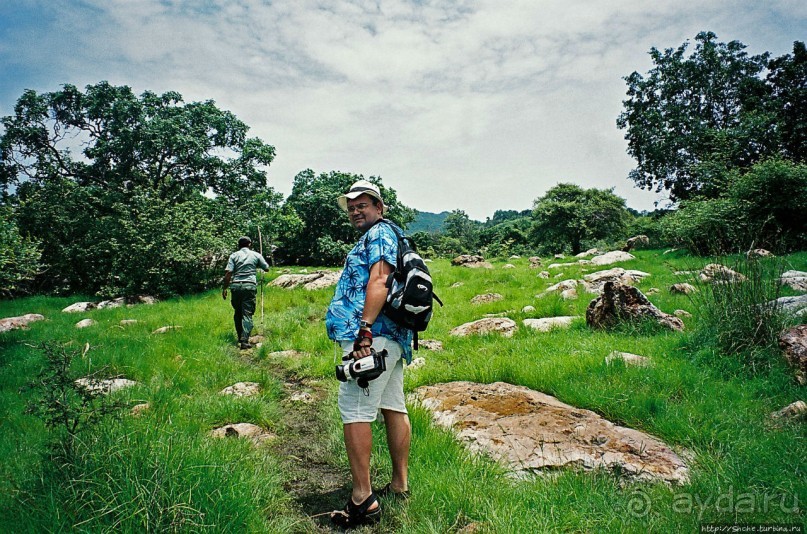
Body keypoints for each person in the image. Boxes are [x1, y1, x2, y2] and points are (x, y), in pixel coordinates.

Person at [326, 180, 413, 528]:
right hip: (390, 337)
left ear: (379, 207)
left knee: (355, 409)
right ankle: (399, 484)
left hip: (372, 337)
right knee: (393, 405)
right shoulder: (389, 233)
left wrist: (364, 331)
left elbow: (379, 281)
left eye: (363, 204)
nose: (355, 211)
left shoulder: (379, 234)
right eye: (351, 207)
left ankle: (363, 498)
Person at [222, 236, 269, 350]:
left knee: (238, 312)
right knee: (247, 313)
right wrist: (256, 264)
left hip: (236, 287)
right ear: (249, 244)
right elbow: (266, 268)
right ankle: (244, 340)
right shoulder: (256, 255)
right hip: (249, 286)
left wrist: (224, 288)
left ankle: (239, 337)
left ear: (239, 245)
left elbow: (229, 273)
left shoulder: (234, 256)